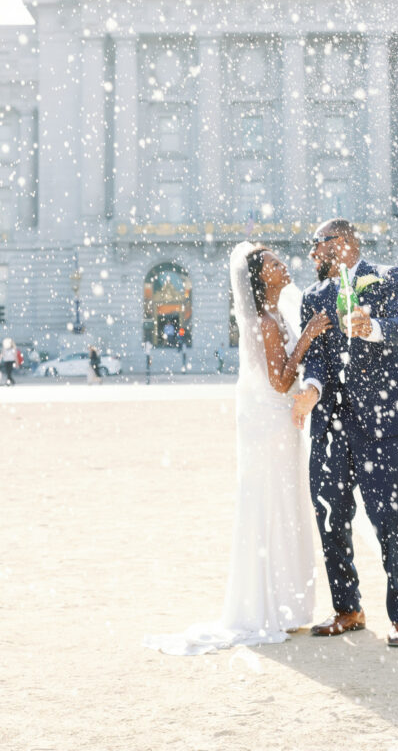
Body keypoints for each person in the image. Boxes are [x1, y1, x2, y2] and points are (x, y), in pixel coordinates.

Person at [143, 240, 331, 654]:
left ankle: (281, 606)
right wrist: (309, 338)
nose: (283, 264)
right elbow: (281, 380)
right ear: (260, 278)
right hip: (270, 424)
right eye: (273, 263)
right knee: (275, 507)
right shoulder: (264, 321)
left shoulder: (272, 315)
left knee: (280, 507)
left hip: (275, 420)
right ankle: (275, 607)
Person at [292, 218, 398, 646]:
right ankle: (347, 609)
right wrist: (310, 389)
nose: (313, 253)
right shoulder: (313, 296)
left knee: (390, 518)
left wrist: (374, 328)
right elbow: (314, 356)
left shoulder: (390, 277)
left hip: (384, 422)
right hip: (330, 426)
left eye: (319, 244)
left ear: (344, 242)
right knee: (330, 516)